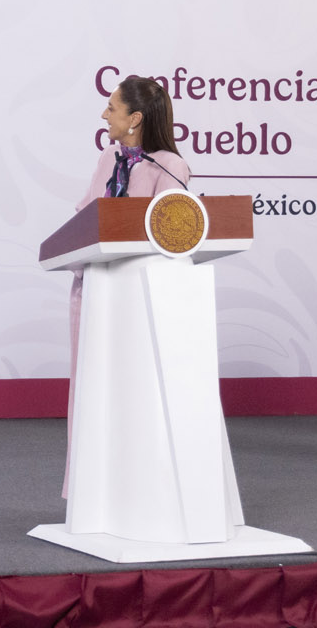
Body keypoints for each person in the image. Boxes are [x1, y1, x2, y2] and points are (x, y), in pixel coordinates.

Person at [63, 75, 189, 491]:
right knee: (91, 392)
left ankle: (140, 490)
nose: (104, 115)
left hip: (138, 297)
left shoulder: (169, 167)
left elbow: (170, 236)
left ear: (135, 118)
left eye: (112, 108)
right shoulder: (107, 158)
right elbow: (84, 216)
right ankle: (90, 492)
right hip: (93, 291)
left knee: (135, 393)